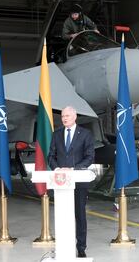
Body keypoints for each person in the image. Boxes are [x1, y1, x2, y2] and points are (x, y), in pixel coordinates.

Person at [47, 106, 95, 258]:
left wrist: (73, 169)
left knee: (80, 215)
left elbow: (89, 157)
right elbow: (51, 156)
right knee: (63, 215)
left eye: (67, 116)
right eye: (62, 116)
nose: (64, 118)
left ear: (75, 117)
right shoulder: (57, 134)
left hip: (78, 182)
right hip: (61, 182)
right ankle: (63, 246)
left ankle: (81, 247)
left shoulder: (86, 134)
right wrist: (58, 169)